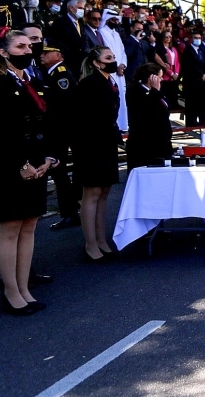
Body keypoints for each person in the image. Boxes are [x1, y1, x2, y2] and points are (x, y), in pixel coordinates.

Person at [0, 28, 58, 315]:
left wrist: (48, 157)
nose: (27, 51)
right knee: (10, 228)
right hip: (9, 165)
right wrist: (20, 164)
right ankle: (11, 292)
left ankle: (24, 288)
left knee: (30, 225)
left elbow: (47, 124)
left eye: (29, 46)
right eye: (20, 47)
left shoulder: (33, 80)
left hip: (37, 164)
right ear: (3, 51)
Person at [74, 46, 121, 262]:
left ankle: (102, 240)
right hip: (91, 146)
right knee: (91, 194)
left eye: (113, 57)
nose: (112, 61)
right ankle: (90, 244)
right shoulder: (89, 84)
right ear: (96, 62)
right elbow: (84, 119)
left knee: (104, 193)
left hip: (107, 144)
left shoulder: (111, 83)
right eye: (108, 58)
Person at [39, 39, 81, 230]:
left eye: (46, 52)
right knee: (59, 173)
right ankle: (71, 210)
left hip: (60, 131)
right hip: (60, 130)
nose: (41, 55)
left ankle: (70, 212)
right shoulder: (51, 73)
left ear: (58, 55)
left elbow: (63, 107)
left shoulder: (60, 75)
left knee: (59, 172)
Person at [125, 63, 172, 172]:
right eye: (159, 77)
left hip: (161, 142)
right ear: (152, 77)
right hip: (145, 144)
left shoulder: (158, 91)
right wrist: (155, 91)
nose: (161, 80)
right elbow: (147, 111)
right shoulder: (136, 91)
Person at [98, 9, 128, 131]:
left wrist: (122, 65)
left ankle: (122, 125)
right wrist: (115, 66)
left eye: (117, 19)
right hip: (110, 70)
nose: (116, 21)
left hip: (120, 71)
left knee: (121, 97)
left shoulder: (116, 34)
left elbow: (122, 52)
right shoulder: (102, 32)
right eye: (113, 19)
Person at [180, 29, 205, 126]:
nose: (198, 40)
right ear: (191, 39)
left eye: (199, 38)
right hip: (191, 81)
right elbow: (191, 65)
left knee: (199, 103)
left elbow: (204, 64)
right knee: (191, 104)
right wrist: (200, 75)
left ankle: (201, 121)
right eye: (196, 38)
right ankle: (191, 123)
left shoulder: (200, 50)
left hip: (201, 82)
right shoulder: (188, 50)